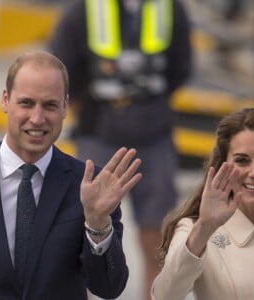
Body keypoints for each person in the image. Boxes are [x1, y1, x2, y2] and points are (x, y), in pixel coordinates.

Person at [48, 0, 192, 299]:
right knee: (80, 235)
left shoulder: (170, 9)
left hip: (154, 138)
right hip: (98, 134)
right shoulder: (82, 11)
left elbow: (181, 67)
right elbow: (60, 68)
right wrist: (90, 110)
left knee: (158, 238)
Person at [0, 50, 142, 300]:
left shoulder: (91, 184)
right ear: (6, 100)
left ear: (65, 107)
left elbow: (109, 288)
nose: (37, 118)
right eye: (27, 103)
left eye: (50, 105)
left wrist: (97, 223)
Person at [151, 107, 254, 300]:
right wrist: (204, 228)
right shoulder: (196, 230)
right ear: (222, 166)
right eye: (242, 161)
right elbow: (164, 296)